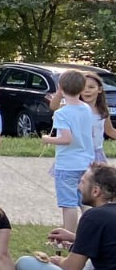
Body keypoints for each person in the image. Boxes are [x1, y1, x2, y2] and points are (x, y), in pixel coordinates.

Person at [16, 160, 116, 270]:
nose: (78, 187)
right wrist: (76, 238)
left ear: (95, 191)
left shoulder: (94, 216)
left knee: (24, 264)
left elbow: (72, 268)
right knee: (88, 263)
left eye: (82, 183)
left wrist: (58, 262)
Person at [43, 68, 99, 233]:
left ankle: (69, 236)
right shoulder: (86, 108)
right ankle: (90, 232)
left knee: (68, 204)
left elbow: (66, 139)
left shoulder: (62, 113)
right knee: (85, 201)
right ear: (82, 89)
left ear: (60, 87)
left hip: (67, 164)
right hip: (86, 162)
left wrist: (47, 139)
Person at [79, 71, 116, 159]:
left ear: (99, 89)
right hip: (78, 154)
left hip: (96, 153)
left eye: (91, 87)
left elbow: (110, 131)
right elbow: (54, 107)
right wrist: (59, 94)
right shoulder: (74, 109)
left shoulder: (102, 110)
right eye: (82, 87)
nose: (87, 90)